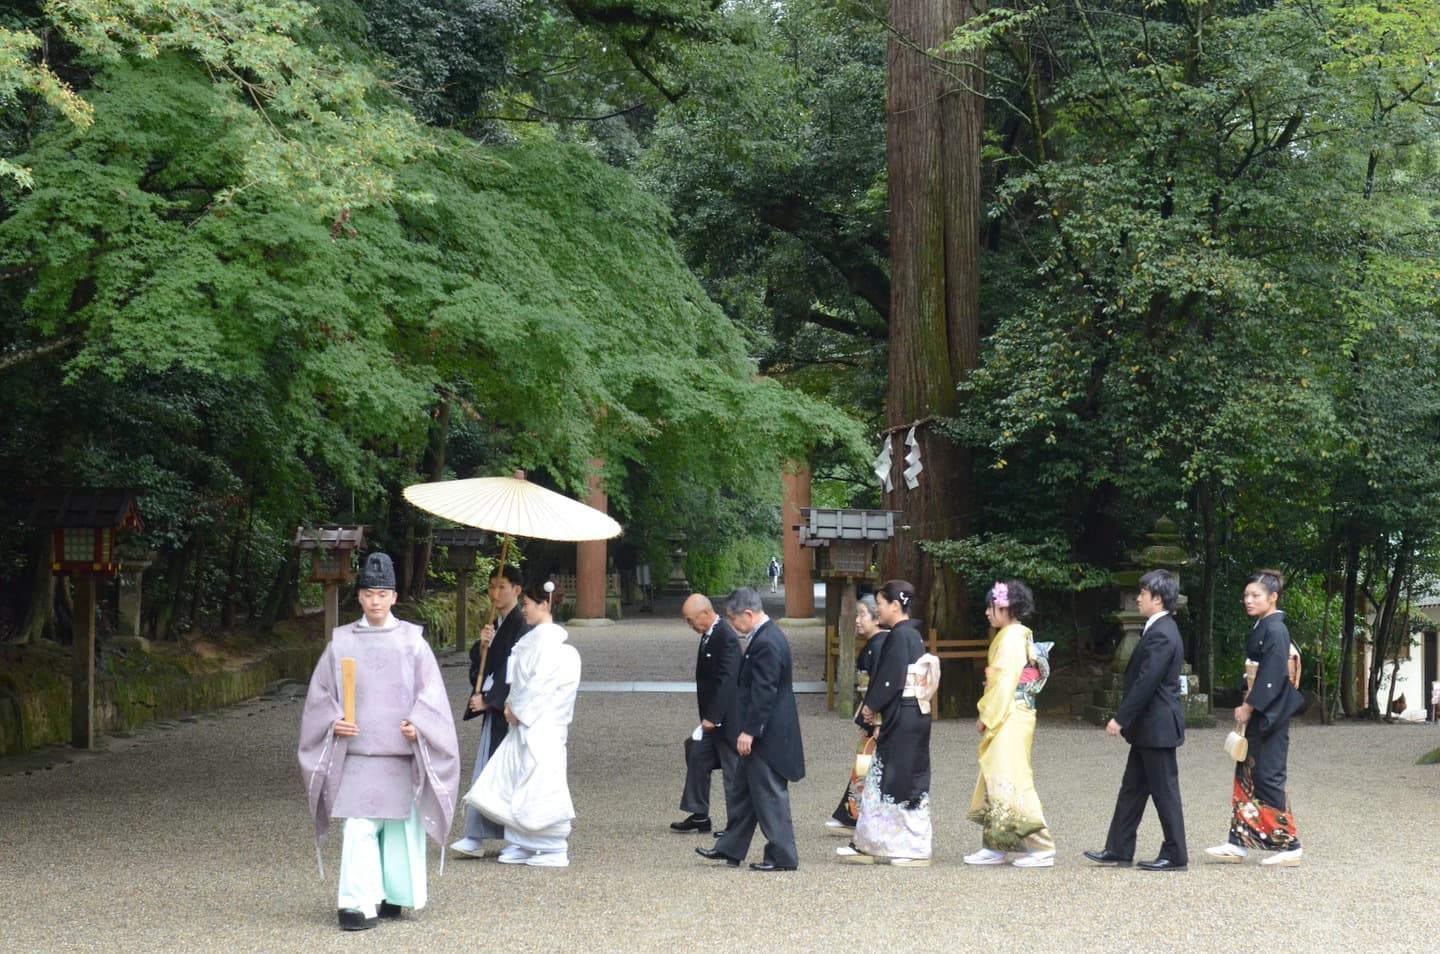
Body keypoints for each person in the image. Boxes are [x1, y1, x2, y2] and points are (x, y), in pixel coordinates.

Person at [297, 552, 460, 931]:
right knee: (358, 826)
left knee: (400, 827)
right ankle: (354, 905)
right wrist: (334, 720)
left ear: (394, 597)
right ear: (359, 597)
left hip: (399, 752)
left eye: (382, 594)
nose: (374, 601)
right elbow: (319, 694)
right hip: (357, 753)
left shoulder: (412, 642)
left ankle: (392, 895)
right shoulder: (341, 642)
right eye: (368, 593)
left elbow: (431, 695)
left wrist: (418, 724)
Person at [467, 579, 582, 867]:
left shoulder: (553, 646)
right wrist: (508, 704)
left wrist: (516, 709)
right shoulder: (535, 640)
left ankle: (552, 846)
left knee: (540, 780)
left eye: (529, 604)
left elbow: (540, 687)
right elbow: (518, 681)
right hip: (524, 721)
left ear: (545, 605)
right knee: (516, 778)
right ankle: (521, 840)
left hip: (541, 724)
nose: (526, 609)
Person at [1084, 569, 1188, 871]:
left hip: (1156, 726)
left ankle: (1176, 853)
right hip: (1150, 727)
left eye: (1142, 593)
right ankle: (1118, 848)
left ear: (1157, 598)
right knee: (1132, 789)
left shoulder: (1162, 633)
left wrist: (1120, 718)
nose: (1138, 598)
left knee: (1165, 792)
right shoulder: (1159, 629)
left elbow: (1146, 682)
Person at [696, 586, 805, 872]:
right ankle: (730, 847)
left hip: (768, 735)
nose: (732, 625)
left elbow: (764, 691)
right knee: (743, 792)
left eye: (733, 619)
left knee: (769, 795)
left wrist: (750, 731)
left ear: (747, 613)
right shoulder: (766, 637)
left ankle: (783, 855)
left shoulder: (767, 642)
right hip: (766, 730)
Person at [1205, 569, 1306, 867]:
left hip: (1270, 712)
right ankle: (1238, 842)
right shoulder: (1265, 626)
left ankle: (1290, 844)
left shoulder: (1275, 629)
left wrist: (1249, 705)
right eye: (1246, 596)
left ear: (1273, 597)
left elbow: (1273, 675)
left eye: (1256, 595)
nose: (1248, 600)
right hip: (1263, 708)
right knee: (1248, 774)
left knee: (1269, 775)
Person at [836, 580, 936, 866]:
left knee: (898, 781)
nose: (877, 608)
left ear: (895, 605)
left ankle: (911, 847)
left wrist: (871, 706)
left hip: (904, 715)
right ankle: (875, 842)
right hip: (910, 713)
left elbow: (890, 678)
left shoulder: (900, 636)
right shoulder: (909, 635)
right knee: (887, 779)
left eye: (880, 603)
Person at [965, 579, 1056, 868]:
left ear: (1007, 607)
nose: (988, 612)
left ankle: (1042, 846)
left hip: (1009, 712)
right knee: (997, 776)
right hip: (1014, 711)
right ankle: (997, 844)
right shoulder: (1015, 635)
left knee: (1012, 778)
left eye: (992, 607)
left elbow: (1004, 681)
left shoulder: (1012, 637)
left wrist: (986, 715)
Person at [451, 564, 533, 858]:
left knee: (507, 772)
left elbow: (515, 672)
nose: (495, 593)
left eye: (502, 586)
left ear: (517, 590)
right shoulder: (498, 624)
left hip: (508, 711)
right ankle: (476, 835)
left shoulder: (521, 624)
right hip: (496, 709)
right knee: (487, 770)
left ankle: (514, 836)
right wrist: (482, 647)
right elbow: (486, 666)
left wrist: (490, 700)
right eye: (491, 586)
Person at [671, 594, 741, 834]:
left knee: (733, 770)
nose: (690, 625)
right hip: (712, 717)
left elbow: (728, 680)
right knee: (696, 752)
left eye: (691, 620)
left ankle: (737, 823)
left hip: (728, 717)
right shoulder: (709, 635)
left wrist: (714, 716)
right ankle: (699, 813)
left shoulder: (726, 636)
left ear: (705, 613)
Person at [827, 594, 890, 830]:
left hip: (878, 717)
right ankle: (853, 814)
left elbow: (883, 685)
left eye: (862, 615)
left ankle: (858, 815)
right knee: (864, 763)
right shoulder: (876, 643)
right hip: (871, 713)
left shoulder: (882, 644)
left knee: (868, 763)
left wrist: (878, 721)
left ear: (877, 616)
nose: (857, 620)